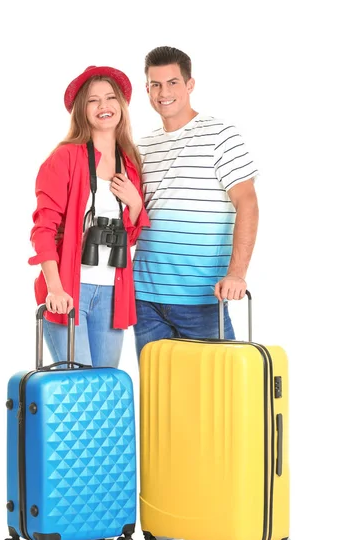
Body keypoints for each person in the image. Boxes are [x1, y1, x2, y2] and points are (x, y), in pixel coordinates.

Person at [133, 46, 259, 358]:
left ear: (190, 85)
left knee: (219, 400)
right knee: (159, 400)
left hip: (202, 299)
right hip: (144, 299)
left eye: (173, 82)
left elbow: (248, 204)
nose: (164, 93)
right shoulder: (142, 146)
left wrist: (237, 273)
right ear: (146, 89)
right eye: (156, 84)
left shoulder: (221, 135)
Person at [28, 65, 150, 367]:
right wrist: (55, 288)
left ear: (121, 106)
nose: (104, 106)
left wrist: (135, 204)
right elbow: (43, 229)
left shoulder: (130, 162)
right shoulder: (65, 157)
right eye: (93, 100)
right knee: (77, 388)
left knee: (105, 388)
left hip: (113, 294)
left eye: (110, 98)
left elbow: (131, 237)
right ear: (81, 109)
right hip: (70, 289)